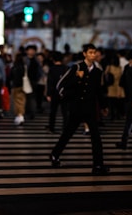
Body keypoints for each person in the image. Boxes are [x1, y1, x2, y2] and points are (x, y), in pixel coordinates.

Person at [50, 43, 110, 175]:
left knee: (96, 137)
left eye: (94, 53)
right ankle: (55, 154)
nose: (92, 55)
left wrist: (104, 106)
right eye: (90, 52)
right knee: (68, 133)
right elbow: (61, 84)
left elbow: (99, 91)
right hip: (76, 108)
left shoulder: (98, 71)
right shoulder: (76, 67)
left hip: (90, 108)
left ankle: (98, 165)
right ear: (84, 54)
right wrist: (77, 78)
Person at [46, 50, 67, 133]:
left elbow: (50, 82)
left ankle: (52, 127)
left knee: (53, 111)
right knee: (65, 111)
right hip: (64, 93)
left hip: (54, 93)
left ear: (53, 59)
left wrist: (48, 94)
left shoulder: (52, 69)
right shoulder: (66, 68)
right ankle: (65, 127)